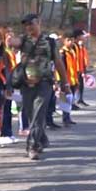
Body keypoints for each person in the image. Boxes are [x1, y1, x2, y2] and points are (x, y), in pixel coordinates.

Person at [19, 14, 70, 160]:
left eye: (31, 23)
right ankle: (41, 137)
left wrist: (65, 83)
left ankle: (32, 146)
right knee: (30, 114)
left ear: (39, 23)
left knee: (38, 113)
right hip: (26, 83)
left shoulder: (49, 42)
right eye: (26, 24)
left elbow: (59, 63)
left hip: (44, 83)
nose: (29, 27)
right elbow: (12, 46)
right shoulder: (23, 41)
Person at [0, 26, 18, 145]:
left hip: (11, 82)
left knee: (9, 109)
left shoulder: (11, 51)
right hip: (5, 84)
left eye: (12, 35)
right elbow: (5, 71)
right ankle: (4, 133)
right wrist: (7, 85)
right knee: (4, 109)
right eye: (8, 35)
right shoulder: (4, 53)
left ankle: (8, 132)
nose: (10, 37)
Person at [59, 31, 79, 126]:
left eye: (72, 40)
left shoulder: (72, 51)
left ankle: (68, 116)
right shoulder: (62, 53)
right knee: (65, 99)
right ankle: (65, 118)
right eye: (68, 40)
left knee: (70, 100)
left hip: (73, 79)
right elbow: (60, 68)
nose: (70, 42)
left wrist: (76, 79)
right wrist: (62, 81)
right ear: (64, 41)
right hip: (65, 80)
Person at [73, 28, 90, 107]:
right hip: (74, 70)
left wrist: (83, 70)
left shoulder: (81, 46)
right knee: (74, 87)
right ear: (78, 36)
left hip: (80, 69)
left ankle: (80, 100)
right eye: (83, 36)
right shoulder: (74, 46)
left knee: (80, 85)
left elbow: (82, 59)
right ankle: (73, 103)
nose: (84, 38)